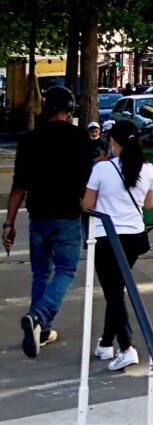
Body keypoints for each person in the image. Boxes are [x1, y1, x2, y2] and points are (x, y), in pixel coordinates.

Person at [3, 86, 94, 358]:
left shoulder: (30, 140)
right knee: (66, 270)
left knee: (41, 273)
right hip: (66, 215)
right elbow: (86, 182)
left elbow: (19, 186)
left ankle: (40, 331)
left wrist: (8, 223)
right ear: (69, 107)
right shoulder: (79, 138)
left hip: (38, 216)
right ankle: (39, 315)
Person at [82, 120, 153, 371]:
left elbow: (87, 205)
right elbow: (148, 205)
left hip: (107, 237)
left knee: (113, 292)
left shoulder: (102, 169)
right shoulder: (148, 170)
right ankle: (105, 343)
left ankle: (126, 347)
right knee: (115, 289)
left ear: (114, 142)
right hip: (135, 236)